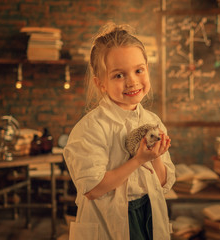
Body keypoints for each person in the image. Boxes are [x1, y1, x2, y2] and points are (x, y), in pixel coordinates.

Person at [63, 23, 175, 240]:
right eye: (118, 75)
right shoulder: (90, 129)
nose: (132, 81)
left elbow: (162, 185)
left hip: (149, 214)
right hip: (108, 222)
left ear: (147, 70)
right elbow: (93, 189)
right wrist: (139, 159)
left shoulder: (153, 121)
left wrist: (155, 158)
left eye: (138, 70)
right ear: (101, 83)